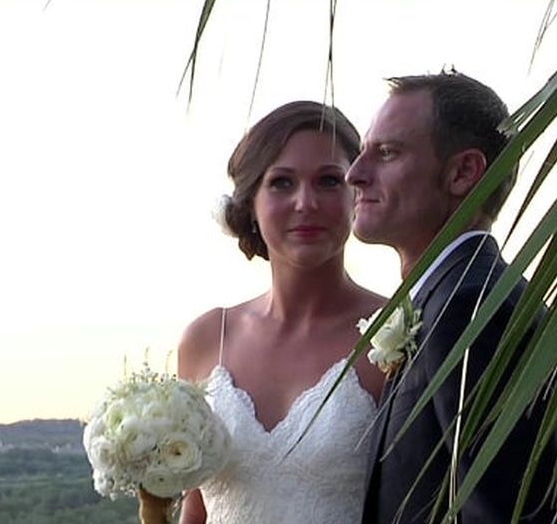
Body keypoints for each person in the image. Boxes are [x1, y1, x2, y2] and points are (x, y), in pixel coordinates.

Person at [347, 72, 557, 523]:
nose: (355, 174)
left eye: (386, 153)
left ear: (463, 173)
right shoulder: (451, 299)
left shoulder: (473, 311)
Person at [138, 100, 385, 523]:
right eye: (282, 183)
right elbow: (195, 510)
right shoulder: (206, 339)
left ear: (355, 194)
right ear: (251, 202)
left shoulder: (395, 333)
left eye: (328, 181)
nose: (305, 203)